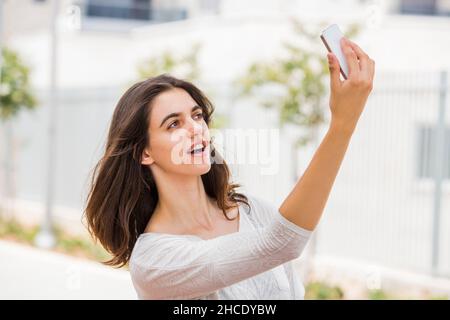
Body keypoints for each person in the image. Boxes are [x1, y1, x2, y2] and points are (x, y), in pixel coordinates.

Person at [84, 38, 375, 299]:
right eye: (174, 124)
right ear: (144, 152)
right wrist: (342, 124)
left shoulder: (251, 211)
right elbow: (281, 243)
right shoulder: (153, 261)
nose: (195, 128)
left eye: (196, 116)